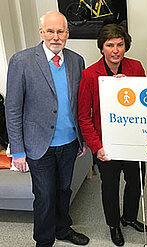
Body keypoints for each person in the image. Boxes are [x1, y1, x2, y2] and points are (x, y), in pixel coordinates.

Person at [5, 11, 89, 247]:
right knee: (44, 196)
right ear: (41, 33)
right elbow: (12, 109)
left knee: (64, 190)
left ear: (67, 34)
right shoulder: (21, 61)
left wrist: (81, 139)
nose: (55, 36)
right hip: (38, 145)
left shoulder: (76, 60)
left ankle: (63, 229)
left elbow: (78, 104)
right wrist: (18, 151)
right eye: (50, 31)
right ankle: (43, 240)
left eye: (60, 31)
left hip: (70, 142)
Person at [78, 24, 147, 247]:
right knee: (110, 186)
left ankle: (128, 217)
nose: (115, 50)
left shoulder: (136, 68)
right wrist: (96, 146)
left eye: (120, 44)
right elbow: (83, 117)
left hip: (133, 139)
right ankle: (114, 225)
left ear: (125, 46)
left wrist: (130, 87)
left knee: (136, 182)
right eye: (110, 45)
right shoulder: (90, 75)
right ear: (102, 48)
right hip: (105, 144)